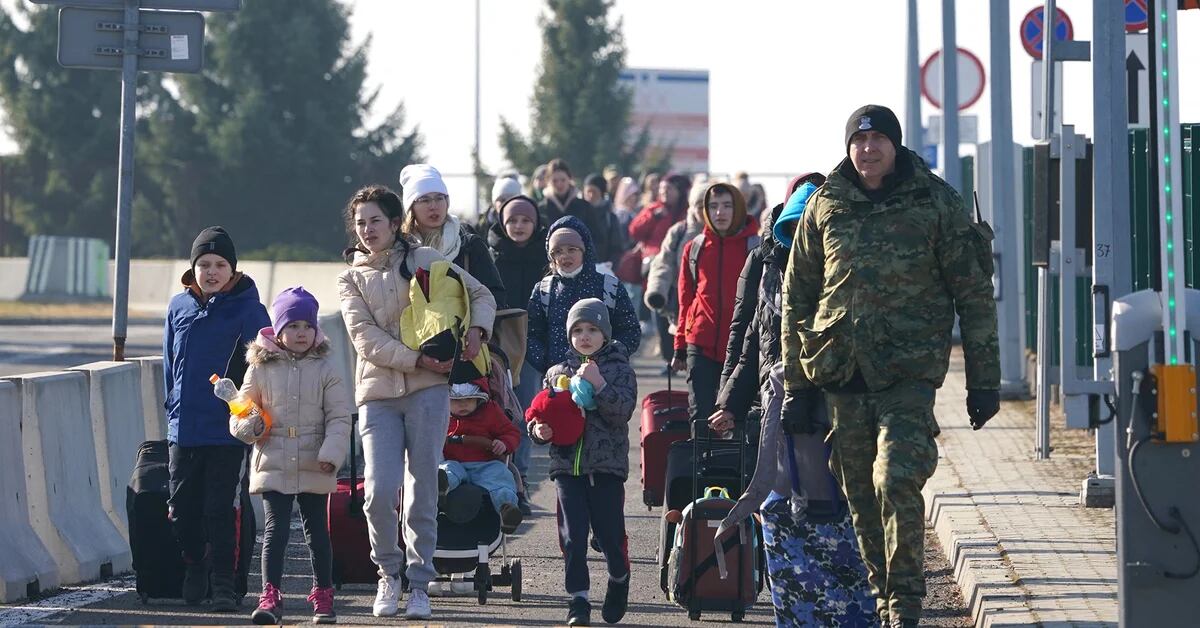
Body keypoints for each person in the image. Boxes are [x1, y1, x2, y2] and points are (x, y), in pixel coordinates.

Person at [781, 104, 1000, 628]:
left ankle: (904, 605)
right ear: (848, 147)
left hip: (908, 374)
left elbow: (973, 293)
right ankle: (885, 597)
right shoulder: (826, 204)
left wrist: (984, 381)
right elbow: (798, 296)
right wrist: (796, 385)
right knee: (860, 495)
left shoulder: (935, 201)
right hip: (841, 373)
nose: (868, 148)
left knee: (895, 478)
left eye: (879, 139)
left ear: (896, 146)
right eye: (859, 140)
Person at [337, 184, 496, 621]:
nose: (368, 229)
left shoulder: (425, 260)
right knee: (379, 491)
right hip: (378, 395)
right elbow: (364, 339)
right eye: (360, 223)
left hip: (429, 391)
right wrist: (418, 358)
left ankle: (420, 582)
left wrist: (477, 333)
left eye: (375, 220)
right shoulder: (349, 277)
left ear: (393, 222)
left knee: (422, 487)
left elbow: (482, 296)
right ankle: (388, 574)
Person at [163, 226, 271, 611]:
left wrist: (249, 416)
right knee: (181, 510)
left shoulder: (250, 310)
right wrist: (173, 405)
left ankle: (225, 582)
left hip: (228, 430)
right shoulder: (178, 307)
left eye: (220, 264)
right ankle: (195, 565)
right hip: (184, 428)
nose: (211, 272)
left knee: (221, 510)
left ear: (233, 270)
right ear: (193, 269)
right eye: (204, 264)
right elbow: (169, 364)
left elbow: (263, 372)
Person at [231, 287, 353, 625]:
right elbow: (240, 412)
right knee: (276, 530)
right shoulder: (260, 367)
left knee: (317, 531)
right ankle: (270, 593)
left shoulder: (326, 367)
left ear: (315, 330)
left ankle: (323, 593)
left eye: (307, 326)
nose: (301, 333)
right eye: (293, 326)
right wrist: (250, 427)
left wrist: (332, 453)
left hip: (316, 458)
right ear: (278, 329)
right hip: (274, 456)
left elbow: (339, 416)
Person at [528, 298, 638, 626]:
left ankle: (619, 579)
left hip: (606, 467)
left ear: (605, 333)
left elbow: (622, 413)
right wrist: (539, 431)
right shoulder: (557, 373)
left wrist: (599, 384)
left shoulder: (618, 369)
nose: (585, 336)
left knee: (609, 537)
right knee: (572, 537)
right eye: (577, 330)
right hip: (567, 468)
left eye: (592, 329)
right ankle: (578, 600)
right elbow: (537, 413)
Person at [671, 182, 760, 426]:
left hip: (742, 348)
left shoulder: (756, 247)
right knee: (700, 416)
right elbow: (685, 300)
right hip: (700, 344)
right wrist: (679, 344)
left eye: (727, 206)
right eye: (713, 206)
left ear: (739, 208)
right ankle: (699, 464)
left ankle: (734, 466)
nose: (719, 212)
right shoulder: (694, 248)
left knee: (735, 417)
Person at [487, 194, 549, 503]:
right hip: (497, 344)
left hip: (533, 343)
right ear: (501, 221)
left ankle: (519, 478)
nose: (519, 226)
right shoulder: (489, 253)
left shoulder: (547, 255)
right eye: (512, 220)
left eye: (526, 220)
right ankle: (496, 479)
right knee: (494, 412)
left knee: (525, 412)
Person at [526, 216, 641, 376]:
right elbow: (531, 334)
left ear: (585, 250)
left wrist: (610, 359)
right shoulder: (544, 290)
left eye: (572, 249)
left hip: (604, 378)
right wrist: (548, 364)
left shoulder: (609, 286)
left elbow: (630, 330)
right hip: (558, 380)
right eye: (558, 251)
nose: (565, 256)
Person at [399, 164, 507, 307]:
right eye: (424, 200)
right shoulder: (401, 249)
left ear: (447, 202)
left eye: (439, 198)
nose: (433, 206)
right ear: (411, 207)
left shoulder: (468, 244)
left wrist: (474, 324)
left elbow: (495, 296)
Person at [438, 381, 523, 533]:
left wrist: (503, 443)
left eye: (469, 400)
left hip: (485, 463)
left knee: (501, 474)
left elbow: (511, 433)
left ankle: (507, 509)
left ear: (479, 399)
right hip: (454, 461)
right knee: (447, 469)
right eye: (456, 401)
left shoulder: (490, 412)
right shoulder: (441, 415)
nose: (463, 405)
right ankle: (441, 487)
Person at [643, 184, 705, 365]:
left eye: (707, 205)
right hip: (681, 303)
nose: (704, 211)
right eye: (699, 205)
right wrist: (657, 292)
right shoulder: (679, 232)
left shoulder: (725, 234)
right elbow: (663, 263)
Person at [629, 172, 690, 356]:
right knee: (659, 314)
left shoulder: (687, 212)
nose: (664, 193)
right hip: (656, 270)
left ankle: (681, 353)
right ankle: (667, 357)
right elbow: (634, 231)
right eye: (662, 189)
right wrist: (653, 217)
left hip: (680, 270)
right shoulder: (653, 209)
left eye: (668, 189)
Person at [539, 158, 616, 265]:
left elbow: (597, 238)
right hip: (550, 265)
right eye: (555, 181)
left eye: (563, 180)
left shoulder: (584, 206)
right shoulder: (542, 208)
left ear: (569, 179)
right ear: (548, 181)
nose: (559, 184)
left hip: (581, 264)